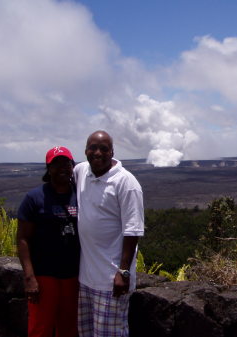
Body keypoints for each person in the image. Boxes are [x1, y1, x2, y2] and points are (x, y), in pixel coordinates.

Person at [74, 130, 144, 337]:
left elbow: (133, 231)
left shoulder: (126, 183)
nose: (97, 153)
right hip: (85, 279)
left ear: (112, 152)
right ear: (85, 150)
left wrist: (123, 272)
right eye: (92, 148)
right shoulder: (80, 172)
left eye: (104, 149)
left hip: (111, 281)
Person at [17, 146, 80, 337]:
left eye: (66, 163)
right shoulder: (34, 198)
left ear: (73, 166)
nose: (62, 167)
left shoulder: (81, 194)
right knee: (40, 327)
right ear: (48, 168)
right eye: (56, 163)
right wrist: (29, 278)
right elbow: (22, 238)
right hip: (44, 276)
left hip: (74, 275)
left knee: (69, 328)